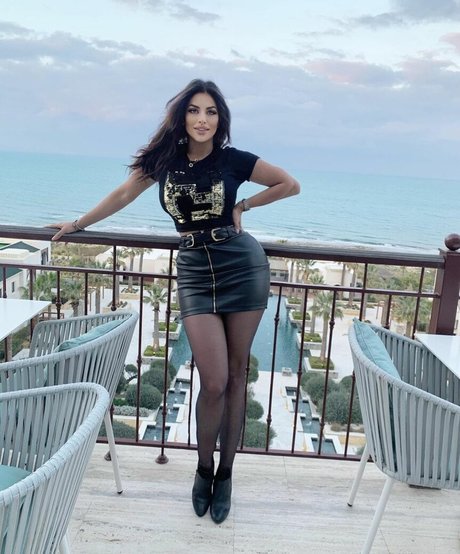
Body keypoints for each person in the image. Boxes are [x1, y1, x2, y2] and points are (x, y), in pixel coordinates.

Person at [49, 79, 300, 524]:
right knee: (214, 380)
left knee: (237, 377)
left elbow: (289, 184)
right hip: (194, 271)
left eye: (211, 112)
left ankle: (225, 474)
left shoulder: (234, 159)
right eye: (194, 110)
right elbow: (123, 194)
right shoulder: (163, 160)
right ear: (181, 116)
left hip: (242, 265)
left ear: (220, 119)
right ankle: (202, 469)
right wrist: (80, 224)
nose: (203, 119)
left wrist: (244, 206)